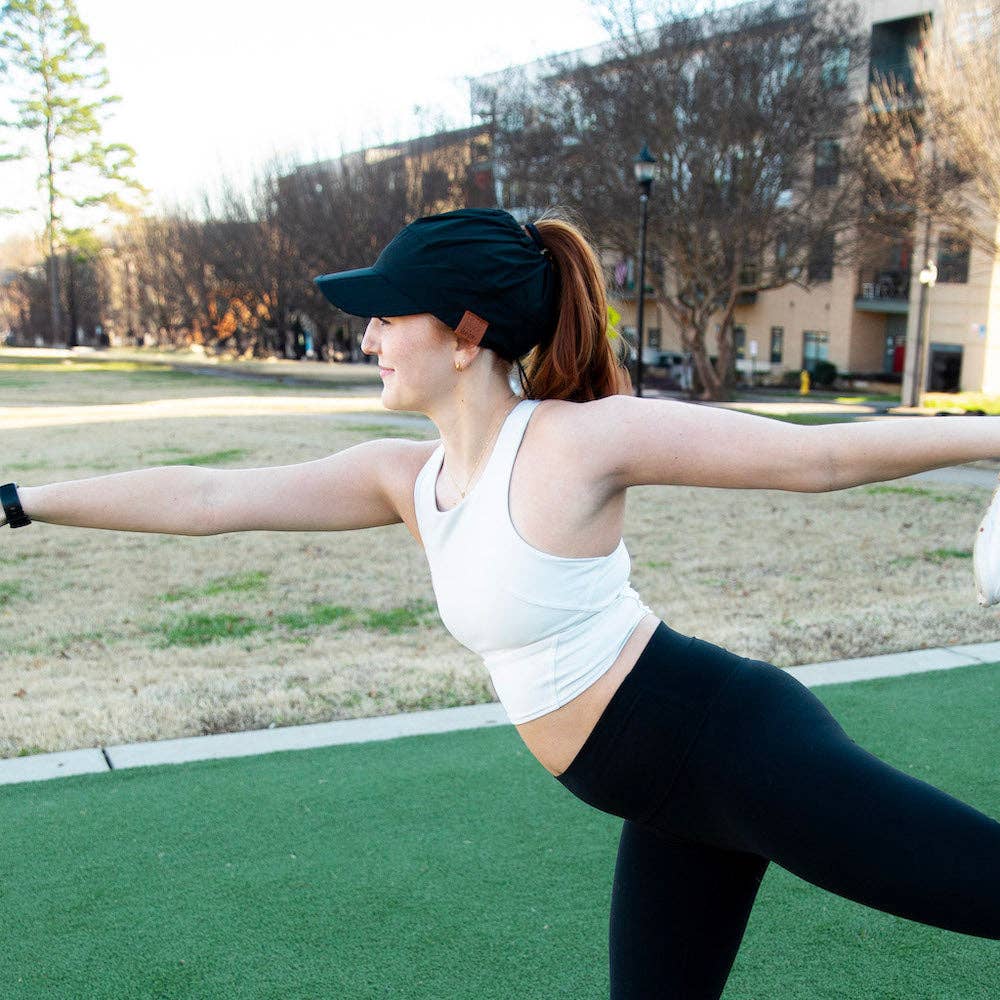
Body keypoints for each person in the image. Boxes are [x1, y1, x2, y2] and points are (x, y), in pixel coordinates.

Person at [3, 206, 999, 998]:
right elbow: (210, 498)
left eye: (391, 316)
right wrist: (19, 500)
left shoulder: (575, 441)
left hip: (732, 746)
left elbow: (817, 456)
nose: (373, 336)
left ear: (467, 332)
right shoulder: (409, 478)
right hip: (667, 797)